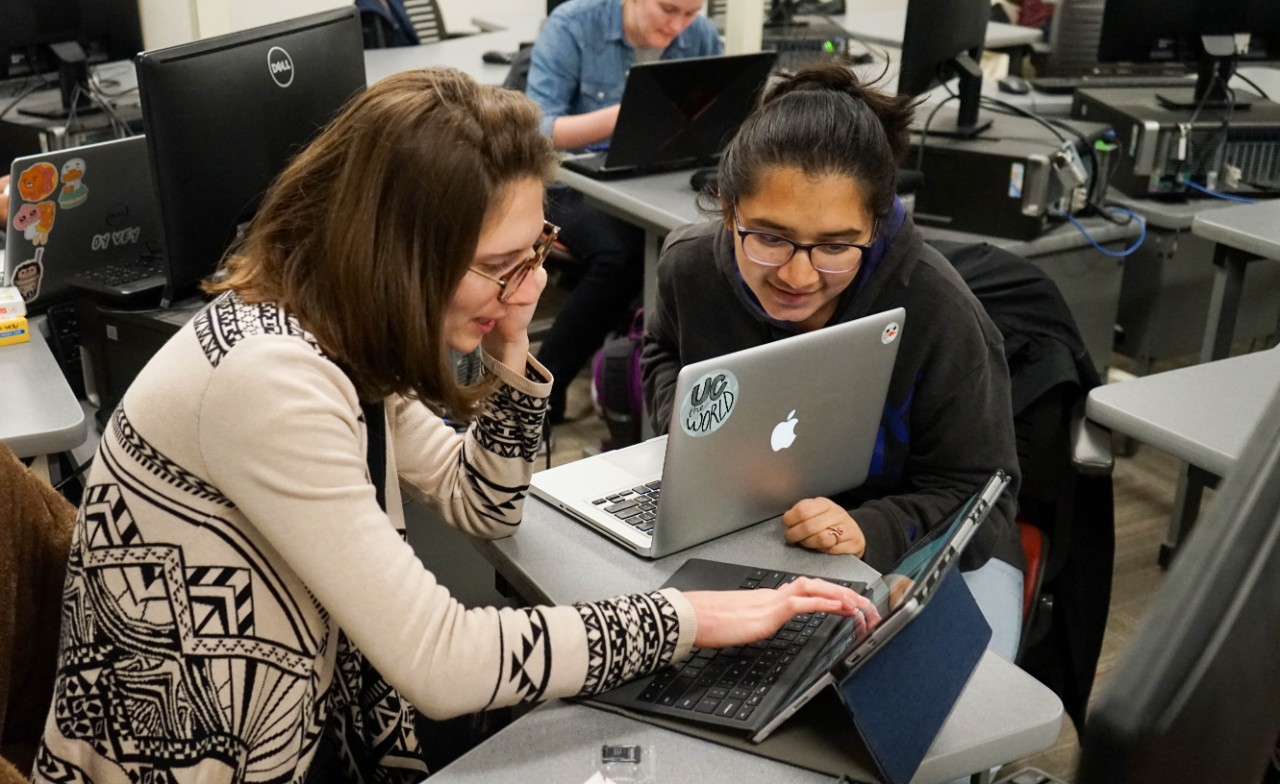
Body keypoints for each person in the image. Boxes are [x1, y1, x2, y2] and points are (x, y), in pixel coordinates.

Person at [32, 68, 877, 783]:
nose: (528, 286)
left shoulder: (331, 329)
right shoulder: (270, 379)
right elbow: (442, 663)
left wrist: (510, 342)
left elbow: (485, 505)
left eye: (534, 253)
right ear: (400, 252)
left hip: (296, 730)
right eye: (500, 265)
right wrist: (689, 619)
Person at [641, 62, 1026, 662]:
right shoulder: (689, 267)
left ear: (873, 226)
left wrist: (871, 532)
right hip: (740, 528)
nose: (797, 275)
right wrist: (692, 434)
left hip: (912, 553)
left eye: (835, 247)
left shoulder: (939, 313)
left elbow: (984, 498)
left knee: (929, 727)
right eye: (769, 237)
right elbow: (662, 351)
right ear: (727, 207)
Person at [525, 0, 722, 422]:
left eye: (689, 14)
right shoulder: (573, 25)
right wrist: (627, 114)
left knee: (709, 238)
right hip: (570, 181)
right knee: (622, 256)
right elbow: (537, 130)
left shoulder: (700, 35)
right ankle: (545, 389)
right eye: (668, 9)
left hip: (656, 176)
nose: (678, 25)